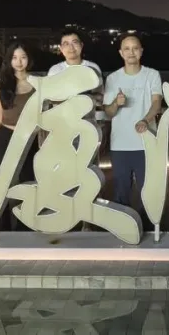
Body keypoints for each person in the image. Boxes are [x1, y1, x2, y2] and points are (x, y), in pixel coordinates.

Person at [102, 34, 163, 226]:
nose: (131, 52)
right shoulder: (112, 78)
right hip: (120, 144)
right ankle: (123, 227)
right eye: (127, 48)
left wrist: (145, 120)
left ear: (141, 51)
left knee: (148, 189)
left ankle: (149, 227)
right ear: (121, 53)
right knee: (121, 190)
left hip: (147, 142)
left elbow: (157, 103)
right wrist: (116, 103)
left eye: (135, 48)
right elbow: (109, 112)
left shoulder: (152, 75)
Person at [47, 28, 104, 232]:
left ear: (81, 46)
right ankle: (67, 218)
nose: (71, 47)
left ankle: (88, 222)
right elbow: (52, 98)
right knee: (64, 172)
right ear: (61, 49)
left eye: (75, 42)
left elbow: (99, 97)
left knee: (89, 172)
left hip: (88, 127)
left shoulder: (92, 68)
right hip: (63, 130)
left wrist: (72, 98)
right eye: (66, 44)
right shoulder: (55, 71)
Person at [0, 41, 38, 231]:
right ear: (9, 60)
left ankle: (25, 226)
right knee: (3, 182)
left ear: (29, 59)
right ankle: (2, 227)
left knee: (28, 181)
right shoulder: (0, 83)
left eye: (23, 57)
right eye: (15, 57)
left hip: (29, 138)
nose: (19, 62)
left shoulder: (36, 83)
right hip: (6, 135)